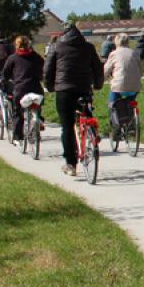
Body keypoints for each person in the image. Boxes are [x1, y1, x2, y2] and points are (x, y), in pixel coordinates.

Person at [44, 21, 104, 176]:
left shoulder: (56, 47)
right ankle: (92, 132)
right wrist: (98, 85)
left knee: (67, 127)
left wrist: (49, 87)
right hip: (84, 88)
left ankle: (70, 164)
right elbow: (98, 68)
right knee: (86, 112)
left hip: (64, 90)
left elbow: (48, 69)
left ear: (63, 34)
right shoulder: (88, 47)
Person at [1, 35, 45, 142]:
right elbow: (43, 65)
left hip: (20, 88)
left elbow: (5, 73)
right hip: (36, 87)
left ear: (16, 45)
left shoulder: (13, 58)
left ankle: (18, 137)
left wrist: (4, 81)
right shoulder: (35, 56)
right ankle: (38, 118)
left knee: (18, 112)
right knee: (38, 104)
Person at [103, 34, 141, 137]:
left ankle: (116, 130)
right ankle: (131, 125)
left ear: (116, 42)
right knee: (130, 104)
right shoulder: (135, 53)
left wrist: (101, 80)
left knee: (112, 105)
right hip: (135, 86)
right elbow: (140, 69)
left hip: (119, 86)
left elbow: (105, 71)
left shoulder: (114, 54)